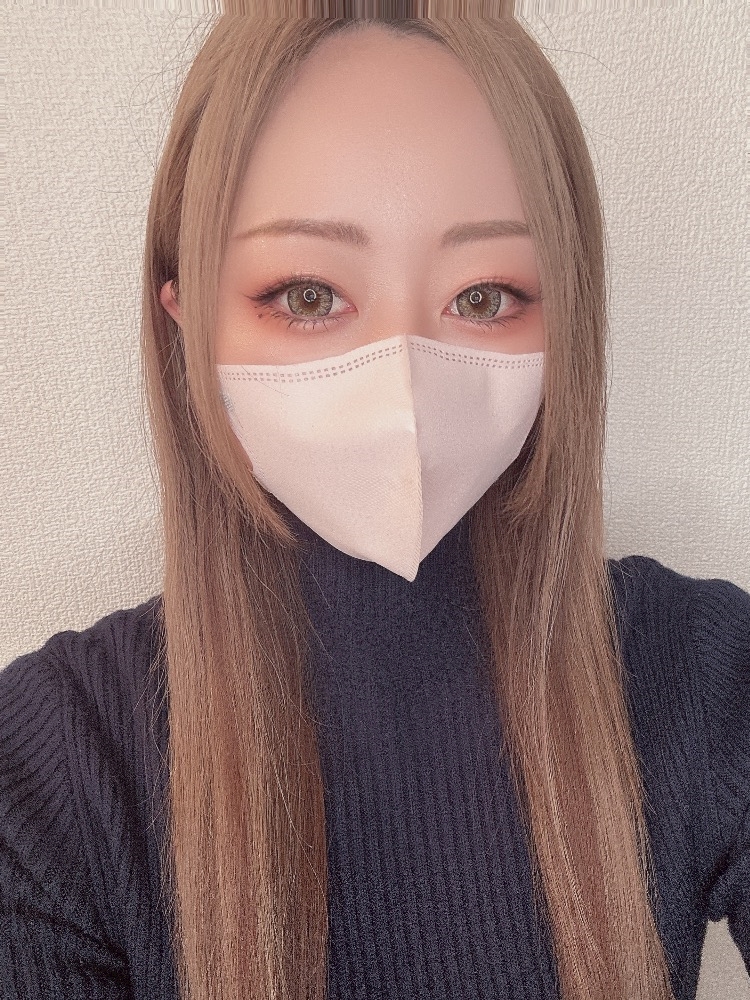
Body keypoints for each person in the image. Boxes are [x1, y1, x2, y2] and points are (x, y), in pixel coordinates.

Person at [1, 9, 748, 1000]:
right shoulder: (56, 765)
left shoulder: (704, 672)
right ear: (184, 316)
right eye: (308, 295)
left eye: (484, 296)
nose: (403, 379)